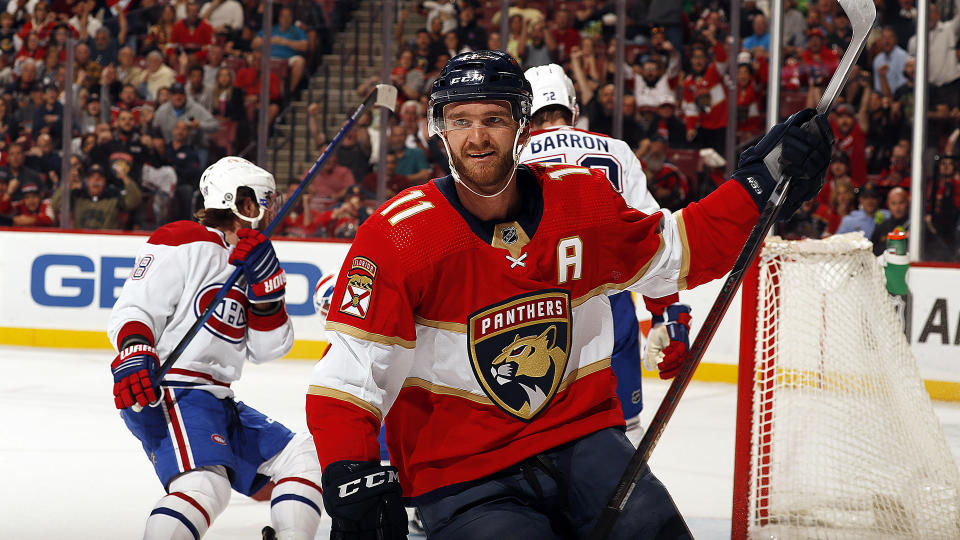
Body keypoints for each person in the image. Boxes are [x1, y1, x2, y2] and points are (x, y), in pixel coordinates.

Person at [304, 50, 833, 539]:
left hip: (583, 439)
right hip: (463, 472)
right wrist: (351, 474)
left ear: (521, 127)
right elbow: (348, 373)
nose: (477, 137)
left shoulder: (581, 198)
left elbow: (675, 253)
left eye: (493, 119)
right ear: (439, 133)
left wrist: (756, 189)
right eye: (460, 121)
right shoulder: (397, 234)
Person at [106, 156, 323, 539]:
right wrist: (135, 349)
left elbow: (269, 350)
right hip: (172, 390)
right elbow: (136, 305)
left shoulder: (255, 258)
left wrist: (266, 296)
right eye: (262, 198)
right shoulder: (183, 238)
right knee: (204, 487)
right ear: (235, 199)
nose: (269, 207)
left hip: (215, 398)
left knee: (302, 458)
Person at [517, 64, 690, 428]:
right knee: (622, 432)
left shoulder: (514, 155)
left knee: (539, 436)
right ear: (574, 109)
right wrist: (665, 314)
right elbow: (649, 237)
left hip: (538, 311)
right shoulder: (617, 149)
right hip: (611, 304)